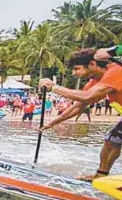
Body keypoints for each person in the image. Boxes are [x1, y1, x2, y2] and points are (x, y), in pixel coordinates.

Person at [39, 47, 122, 181]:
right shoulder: (95, 81)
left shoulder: (116, 71)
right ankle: (100, 175)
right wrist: (52, 123)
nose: (74, 73)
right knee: (112, 141)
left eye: (77, 68)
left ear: (92, 64)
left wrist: (54, 87)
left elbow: (87, 96)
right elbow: (78, 106)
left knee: (112, 140)